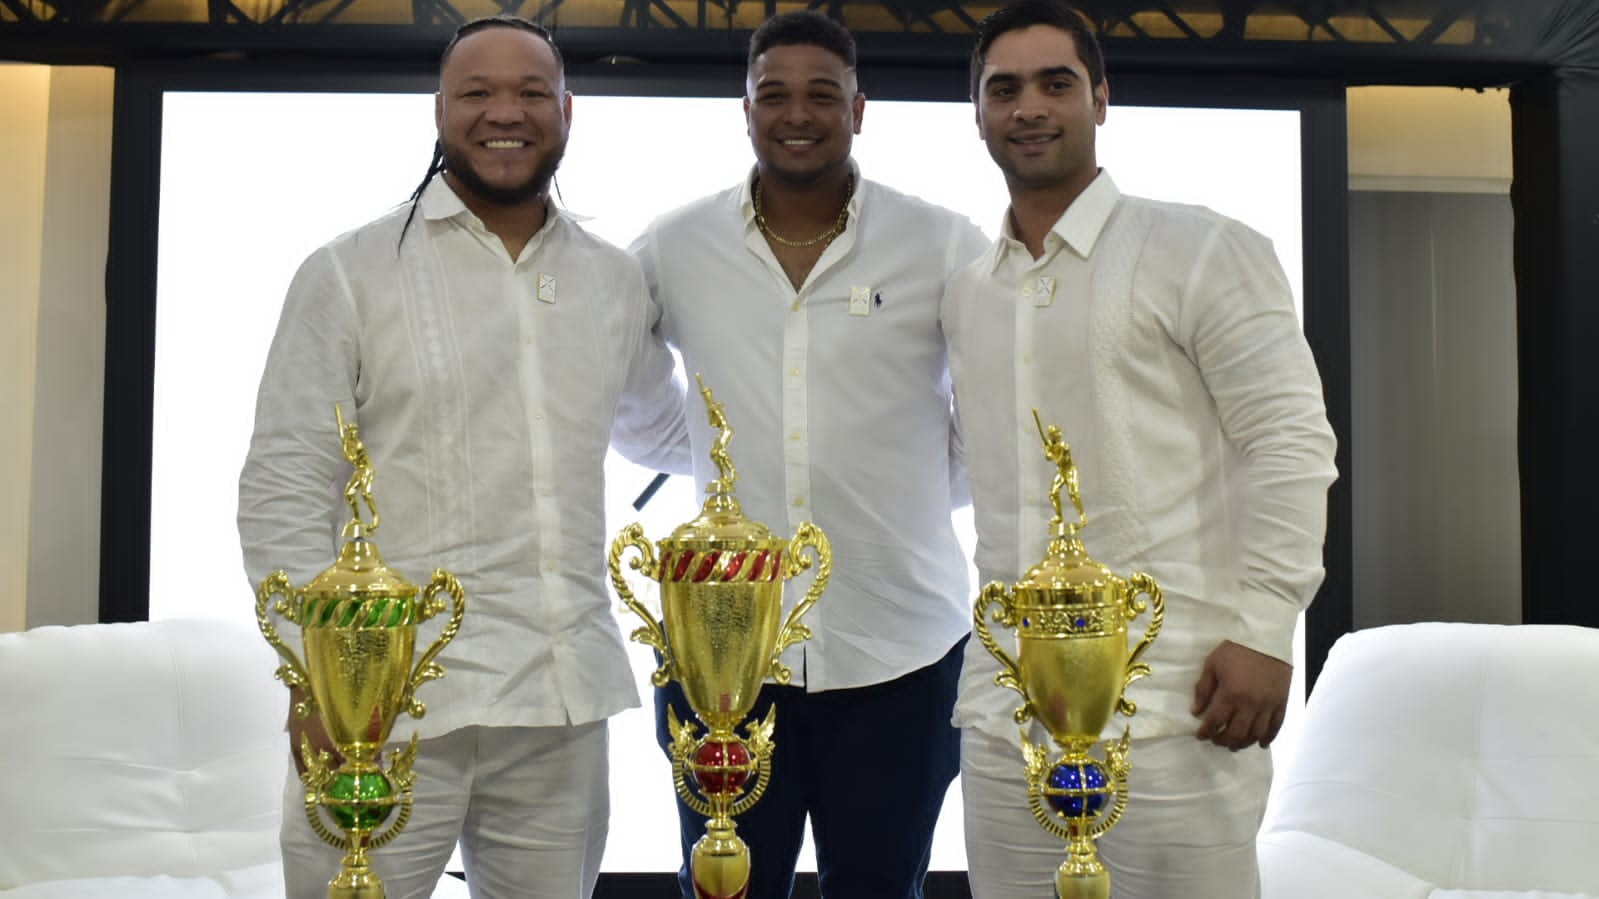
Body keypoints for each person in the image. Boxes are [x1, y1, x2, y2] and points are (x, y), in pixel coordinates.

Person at [237, 16, 688, 899]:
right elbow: (284, 485)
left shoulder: (611, 279)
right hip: (383, 710)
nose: (503, 113)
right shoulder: (348, 272)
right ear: (439, 110)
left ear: (566, 109)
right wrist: (314, 672)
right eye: (476, 92)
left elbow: (660, 428)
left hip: (559, 701)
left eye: (528, 92)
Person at [943, 2, 1338, 896]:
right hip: (1007, 714)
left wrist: (1267, 627)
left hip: (1177, 702)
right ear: (977, 115)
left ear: (1102, 100)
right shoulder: (968, 293)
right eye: (1002, 89)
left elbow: (1288, 439)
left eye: (1056, 83)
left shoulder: (1200, 248)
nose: (1029, 107)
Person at [628, 10, 989, 898]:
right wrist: (720, 458)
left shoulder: (940, 243)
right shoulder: (674, 246)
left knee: (879, 886)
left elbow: (990, 423)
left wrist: (894, 489)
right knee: (723, 888)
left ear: (858, 110)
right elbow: (625, 397)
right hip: (724, 657)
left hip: (899, 649)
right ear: (743, 110)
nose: (798, 113)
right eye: (773, 94)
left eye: (821, 94)